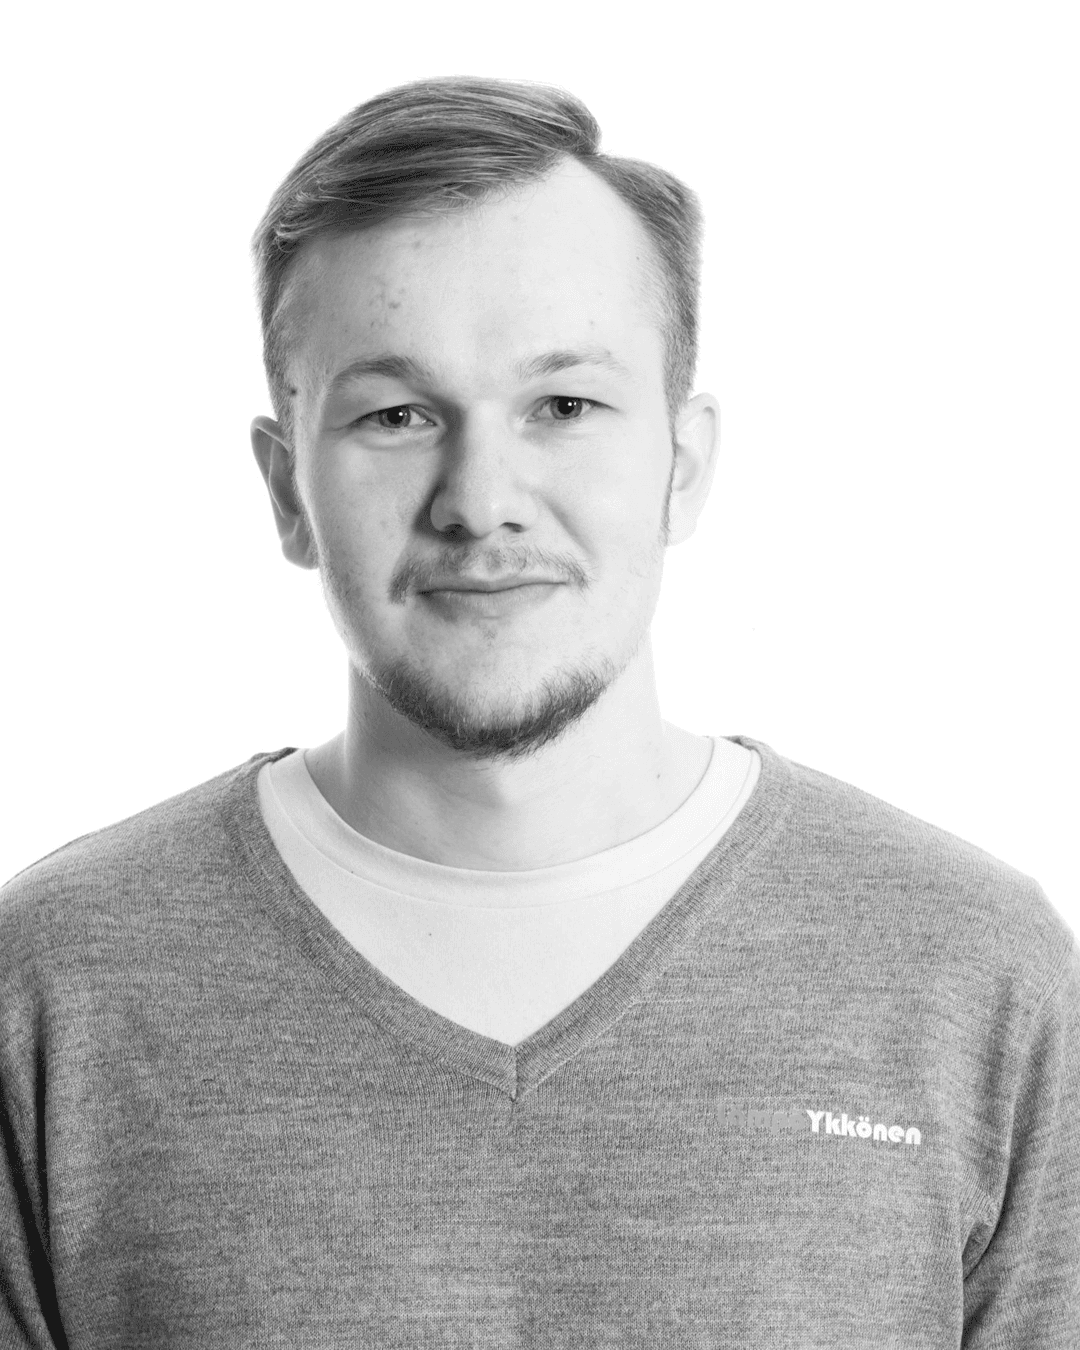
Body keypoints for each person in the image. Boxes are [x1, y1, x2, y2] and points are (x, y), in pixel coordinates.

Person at [1, 76, 1077, 1349]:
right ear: (287, 490)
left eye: (564, 406)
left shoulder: (972, 973)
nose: (481, 500)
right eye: (397, 416)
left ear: (683, 464)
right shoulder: (58, 986)